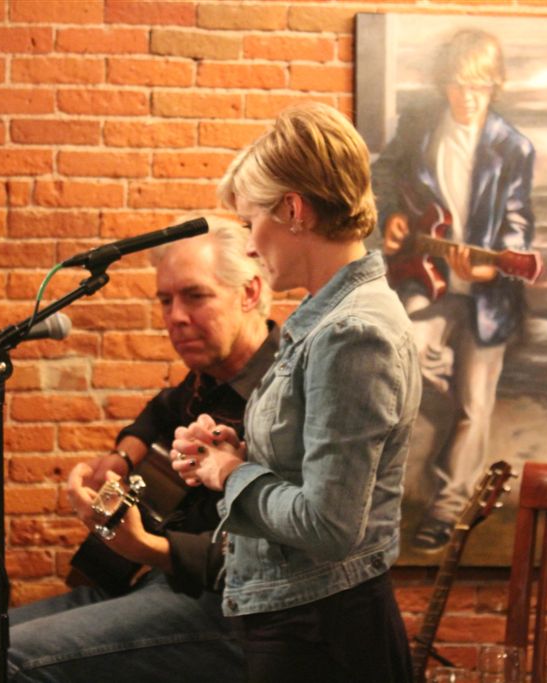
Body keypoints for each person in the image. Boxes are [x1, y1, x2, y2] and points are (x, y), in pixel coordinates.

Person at [0, 219, 279, 683]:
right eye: (165, 301)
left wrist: (148, 547)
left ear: (250, 292)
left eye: (195, 296)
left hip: (228, 605)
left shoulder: (280, 394)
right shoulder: (209, 377)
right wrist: (123, 458)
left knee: (9, 663)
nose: (176, 317)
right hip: (152, 576)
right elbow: (159, 412)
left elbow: (272, 551)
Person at [171, 102, 422, 683]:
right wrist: (234, 451)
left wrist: (230, 474)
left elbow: (328, 526)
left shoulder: (350, 332)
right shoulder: (329, 318)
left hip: (322, 631)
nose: (249, 246)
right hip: (308, 618)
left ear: (293, 209)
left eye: (250, 220)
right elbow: (312, 472)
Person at [370, 28, 536, 550]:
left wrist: (495, 265)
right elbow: (383, 175)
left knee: (475, 403)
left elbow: (518, 221)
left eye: (480, 86)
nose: (469, 97)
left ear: (495, 86)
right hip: (425, 276)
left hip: (487, 294)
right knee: (406, 363)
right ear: (445, 83)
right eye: (460, 84)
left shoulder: (513, 147)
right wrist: (392, 217)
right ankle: (450, 440)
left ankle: (448, 506)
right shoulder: (419, 126)